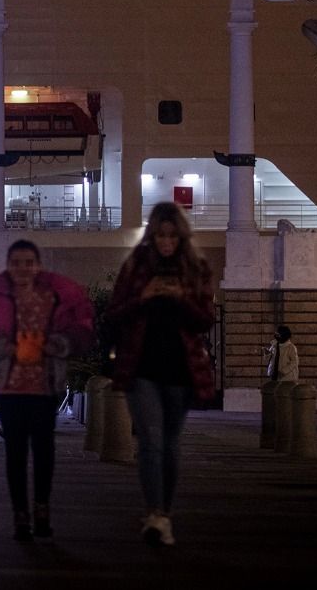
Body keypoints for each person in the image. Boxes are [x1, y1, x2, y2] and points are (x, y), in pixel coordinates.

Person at [0, 240, 95, 540]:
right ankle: (21, 514)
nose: (23, 268)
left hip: (44, 385)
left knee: (44, 449)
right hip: (8, 387)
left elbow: (75, 329)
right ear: (9, 265)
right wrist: (5, 347)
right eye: (17, 262)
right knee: (16, 452)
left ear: (37, 265)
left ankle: (42, 507)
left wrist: (55, 345)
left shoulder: (54, 296)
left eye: (28, 262)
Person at [106, 202, 217, 548]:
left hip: (181, 369)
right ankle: (154, 512)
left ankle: (164, 512)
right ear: (151, 237)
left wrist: (181, 298)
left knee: (170, 445)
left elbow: (205, 320)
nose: (166, 242)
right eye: (160, 236)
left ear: (180, 237)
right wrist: (144, 297)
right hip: (142, 367)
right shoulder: (136, 267)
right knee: (151, 442)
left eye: (171, 236)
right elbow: (114, 314)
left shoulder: (195, 269)